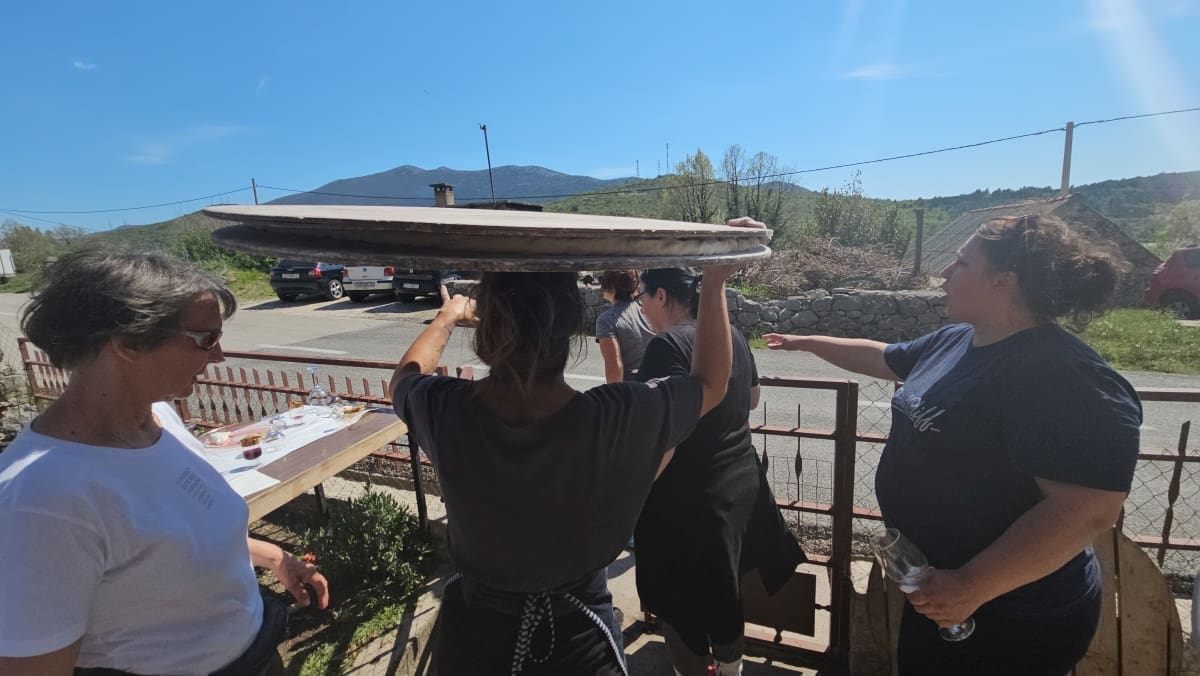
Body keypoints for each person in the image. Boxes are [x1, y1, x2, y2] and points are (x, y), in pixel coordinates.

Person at [764, 214, 1141, 675]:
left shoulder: (1066, 376)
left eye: (961, 263)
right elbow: (883, 358)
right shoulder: (958, 340)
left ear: (1003, 281)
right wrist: (804, 341)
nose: (944, 274)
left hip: (1012, 613)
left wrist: (971, 585)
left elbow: (1088, 510)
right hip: (941, 591)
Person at [388, 221, 762, 674]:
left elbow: (403, 379)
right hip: (582, 645)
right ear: (570, 326)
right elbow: (711, 382)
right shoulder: (616, 416)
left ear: (485, 328)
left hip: (473, 643)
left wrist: (446, 318)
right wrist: (714, 280)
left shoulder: (447, 409)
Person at [0, 250, 330, 676]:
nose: (219, 355)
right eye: (206, 338)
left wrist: (273, 557)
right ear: (129, 343)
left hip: (256, 653)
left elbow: (163, 542)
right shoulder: (42, 500)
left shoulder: (160, 418)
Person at [634, 267, 806, 676]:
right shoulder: (734, 335)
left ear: (661, 296)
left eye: (642, 296)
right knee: (724, 588)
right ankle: (731, 667)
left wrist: (632, 492)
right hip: (740, 484)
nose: (640, 306)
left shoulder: (665, 346)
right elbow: (752, 399)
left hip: (687, 497)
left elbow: (663, 436)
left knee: (677, 597)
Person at [595, 269, 655, 383]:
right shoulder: (647, 308)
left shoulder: (606, 320)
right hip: (656, 383)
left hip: (631, 387)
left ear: (611, 287)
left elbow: (614, 366)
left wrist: (614, 392)